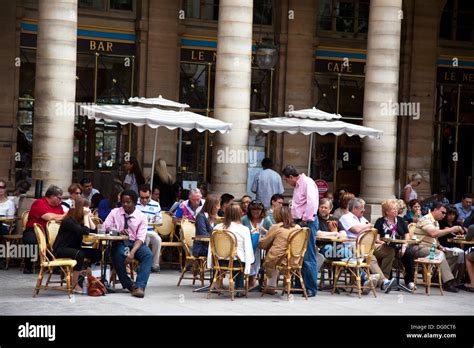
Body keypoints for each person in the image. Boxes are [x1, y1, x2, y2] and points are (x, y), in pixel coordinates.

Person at [103, 190, 153, 298]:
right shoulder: (115, 212)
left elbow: (140, 238)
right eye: (123, 202)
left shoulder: (141, 217)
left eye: (128, 202)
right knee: (118, 254)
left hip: (135, 243)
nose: (125, 204)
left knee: (148, 255)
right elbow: (105, 227)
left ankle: (140, 286)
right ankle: (130, 285)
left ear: (135, 203)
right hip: (120, 241)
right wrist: (117, 231)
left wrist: (132, 253)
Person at [339, 198, 396, 292]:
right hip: (353, 246)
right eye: (362, 208)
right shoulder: (345, 218)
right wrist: (367, 226)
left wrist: (370, 233)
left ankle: (383, 280)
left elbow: (371, 230)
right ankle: (384, 282)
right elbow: (356, 230)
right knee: (371, 256)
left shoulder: (362, 218)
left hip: (368, 245)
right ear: (355, 208)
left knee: (389, 250)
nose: (364, 210)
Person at [409, 202, 464, 293]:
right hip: (419, 247)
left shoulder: (435, 222)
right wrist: (451, 229)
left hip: (431, 248)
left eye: (445, 213)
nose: (444, 215)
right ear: (435, 210)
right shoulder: (425, 219)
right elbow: (433, 233)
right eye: (443, 212)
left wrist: (440, 246)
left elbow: (434, 238)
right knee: (440, 254)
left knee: (455, 254)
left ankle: (437, 278)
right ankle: (448, 282)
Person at [282, 165, 319, 297]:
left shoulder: (307, 182)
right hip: (299, 221)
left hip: (307, 222)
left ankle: (311, 287)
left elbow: (312, 203)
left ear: (291, 177)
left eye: (287, 180)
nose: (288, 183)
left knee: (308, 255)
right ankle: (300, 284)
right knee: (298, 255)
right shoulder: (298, 185)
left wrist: (304, 219)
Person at [52, 197, 97, 293]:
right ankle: (74, 283)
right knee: (79, 254)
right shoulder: (69, 220)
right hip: (60, 249)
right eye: (85, 208)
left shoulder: (77, 220)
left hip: (72, 248)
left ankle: (82, 273)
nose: (88, 210)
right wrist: (85, 216)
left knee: (95, 252)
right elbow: (85, 231)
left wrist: (88, 217)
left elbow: (93, 230)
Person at [208, 203, 254, 290]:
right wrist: (248, 266)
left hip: (219, 260)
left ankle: (216, 282)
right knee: (242, 257)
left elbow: (211, 246)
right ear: (240, 214)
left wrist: (210, 262)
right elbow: (248, 249)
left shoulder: (217, 227)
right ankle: (240, 287)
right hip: (236, 261)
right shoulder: (244, 229)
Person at [23, 185, 66, 274]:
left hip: (52, 231)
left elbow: (62, 219)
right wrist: (63, 216)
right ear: (51, 196)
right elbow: (48, 217)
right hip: (34, 230)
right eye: (59, 198)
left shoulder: (59, 206)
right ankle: (28, 266)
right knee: (31, 240)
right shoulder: (39, 202)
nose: (60, 200)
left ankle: (56, 265)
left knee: (63, 239)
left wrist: (60, 217)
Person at [258, 205, 301, 294]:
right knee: (280, 252)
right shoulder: (297, 227)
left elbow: (264, 244)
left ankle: (271, 286)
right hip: (296, 259)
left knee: (273, 254)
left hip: (279, 260)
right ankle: (286, 285)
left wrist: (259, 239)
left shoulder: (276, 226)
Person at [374, 199, 415, 291]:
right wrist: (382, 242)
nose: (396, 210)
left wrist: (404, 246)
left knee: (408, 253)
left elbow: (407, 236)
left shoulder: (401, 220)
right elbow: (376, 238)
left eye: (396, 208)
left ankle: (409, 281)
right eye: (393, 209)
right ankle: (388, 280)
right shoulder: (380, 221)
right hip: (386, 246)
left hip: (400, 246)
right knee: (389, 252)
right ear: (387, 211)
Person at [241, 200, 273, 288]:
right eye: (253, 210)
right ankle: (251, 276)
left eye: (258, 210)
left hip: (262, 246)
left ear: (262, 211)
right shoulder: (244, 219)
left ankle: (255, 275)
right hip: (247, 246)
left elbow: (273, 232)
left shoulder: (266, 220)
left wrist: (265, 231)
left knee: (258, 251)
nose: (256, 212)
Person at [136, 185, 163, 273]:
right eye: (142, 198)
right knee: (145, 237)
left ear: (150, 195)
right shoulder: (134, 203)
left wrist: (153, 221)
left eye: (147, 197)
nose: (144, 200)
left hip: (151, 230)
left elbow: (159, 220)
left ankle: (155, 264)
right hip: (137, 231)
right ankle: (143, 264)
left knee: (158, 239)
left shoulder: (156, 205)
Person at [438, 205, 466, 282]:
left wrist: (462, 230)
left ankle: (459, 279)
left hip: (455, 245)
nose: (451, 217)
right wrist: (449, 230)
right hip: (444, 245)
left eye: (453, 214)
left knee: (462, 253)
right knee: (459, 253)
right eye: (449, 214)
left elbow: (463, 233)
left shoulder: (456, 224)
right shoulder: (441, 223)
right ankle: (452, 278)